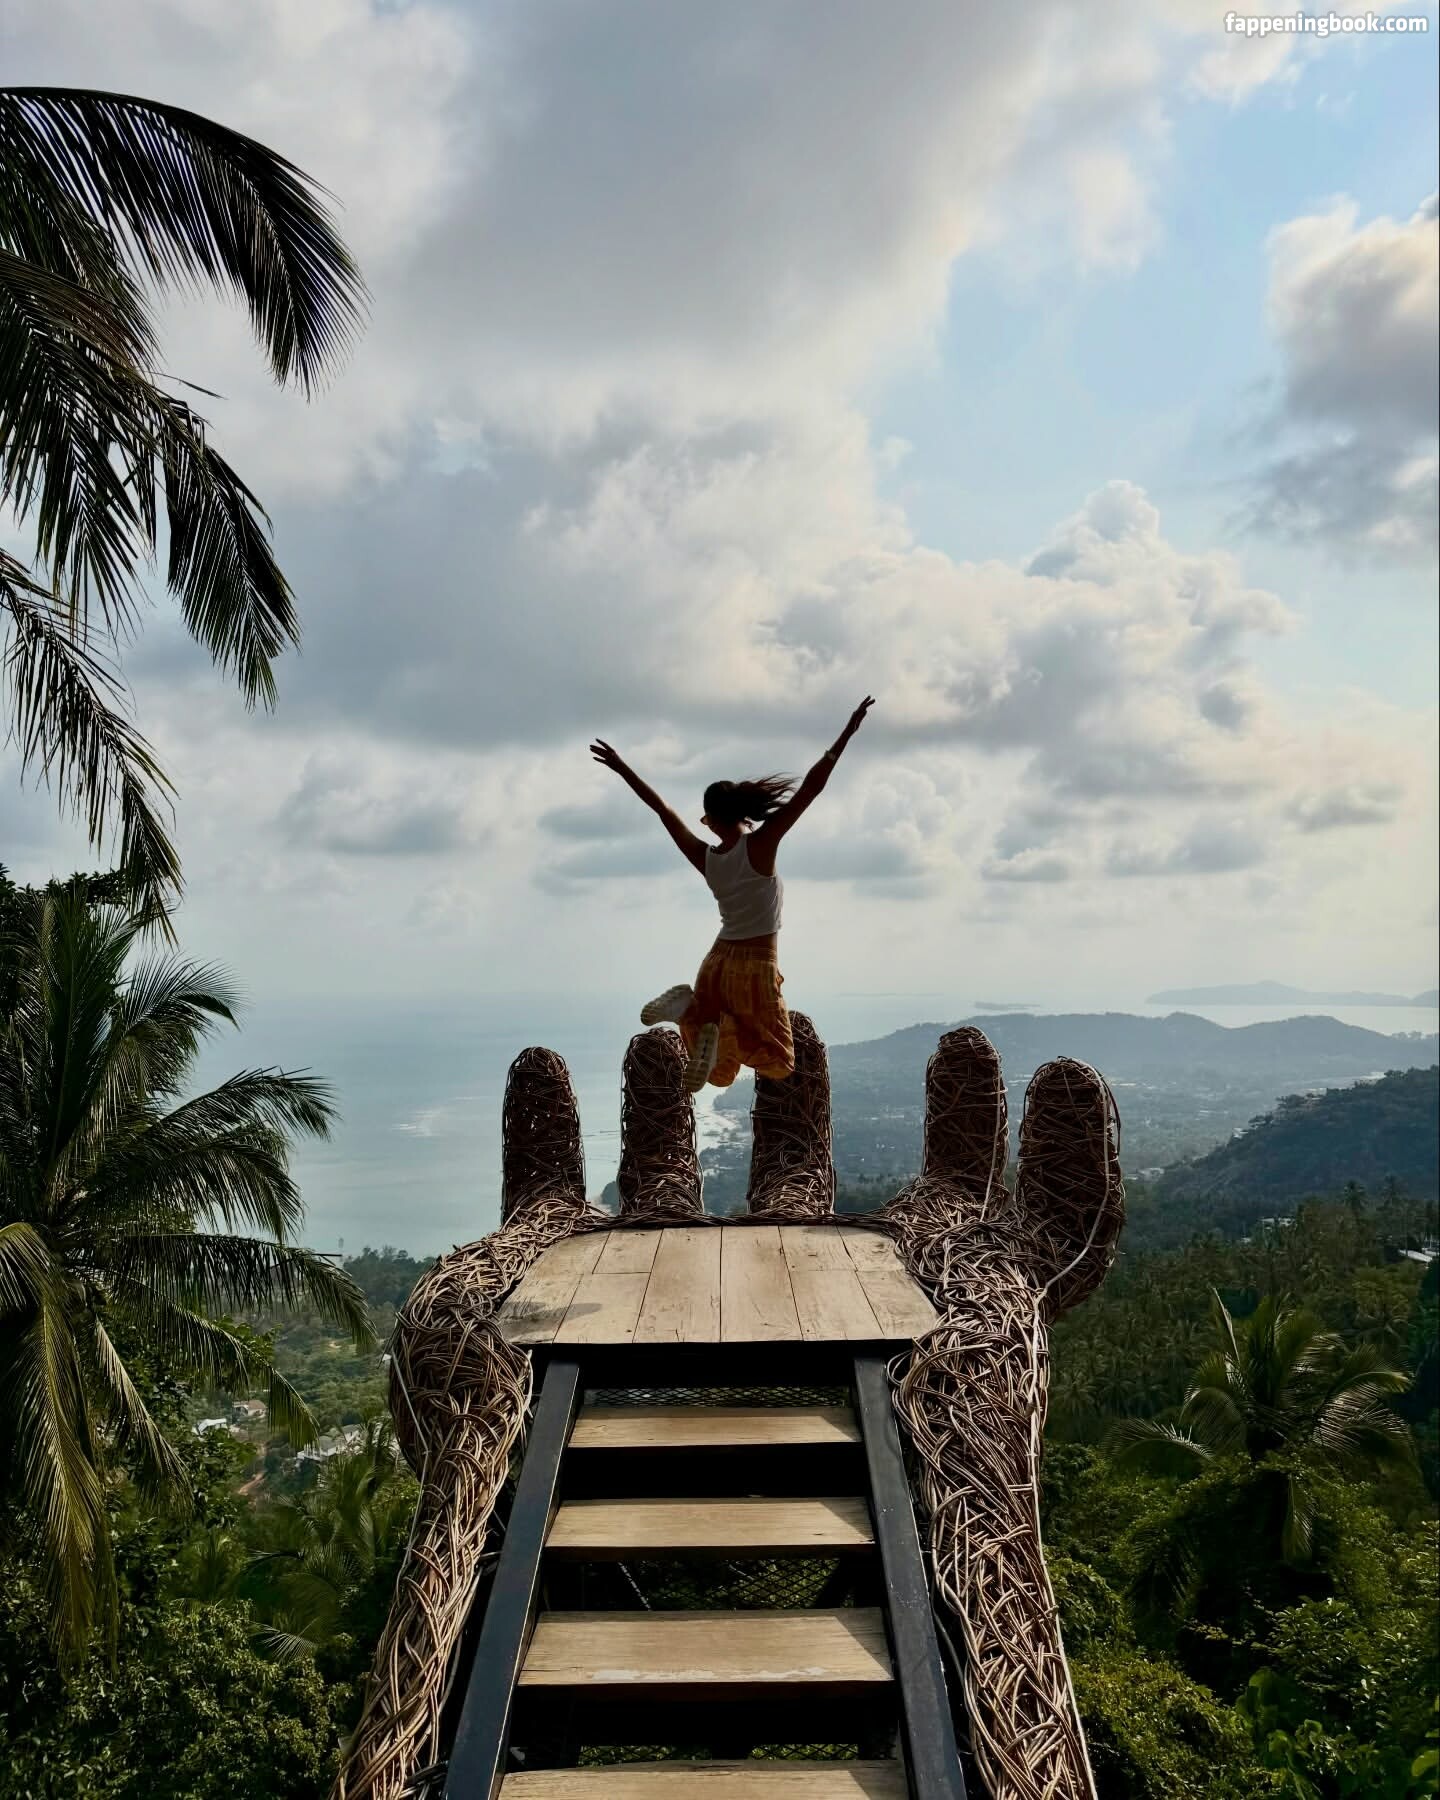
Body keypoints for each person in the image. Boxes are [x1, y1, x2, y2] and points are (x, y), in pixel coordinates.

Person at [590, 697, 875, 1092]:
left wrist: (623, 768)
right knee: (780, 1061)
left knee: (719, 1074)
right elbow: (811, 789)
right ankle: (717, 1026)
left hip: (715, 966)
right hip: (755, 967)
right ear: (741, 812)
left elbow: (662, 810)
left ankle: (688, 1010)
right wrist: (845, 736)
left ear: (712, 821)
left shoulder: (706, 857)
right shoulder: (761, 845)